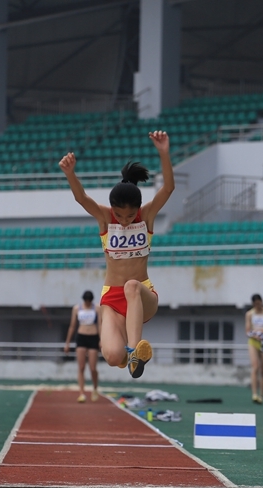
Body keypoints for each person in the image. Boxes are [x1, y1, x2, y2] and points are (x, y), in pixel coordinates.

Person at [58, 131, 174, 379]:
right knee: (111, 357)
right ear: (112, 210)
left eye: (129, 216)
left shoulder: (147, 216)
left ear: (137, 211)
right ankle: (125, 356)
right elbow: (81, 198)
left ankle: (134, 353)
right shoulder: (104, 218)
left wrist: (163, 153)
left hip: (142, 293)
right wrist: (70, 174)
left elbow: (168, 188)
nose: (123, 221)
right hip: (111, 298)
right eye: (119, 216)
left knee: (131, 285)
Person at [64, 290, 101, 402]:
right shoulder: (77, 308)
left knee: (93, 367)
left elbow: (100, 325)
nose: (88, 303)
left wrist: (101, 340)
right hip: (81, 337)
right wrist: (67, 342)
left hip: (93, 337)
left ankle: (94, 388)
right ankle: (81, 393)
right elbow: (72, 326)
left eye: (89, 301)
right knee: (81, 367)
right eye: (86, 301)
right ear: (83, 300)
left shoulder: (97, 308)